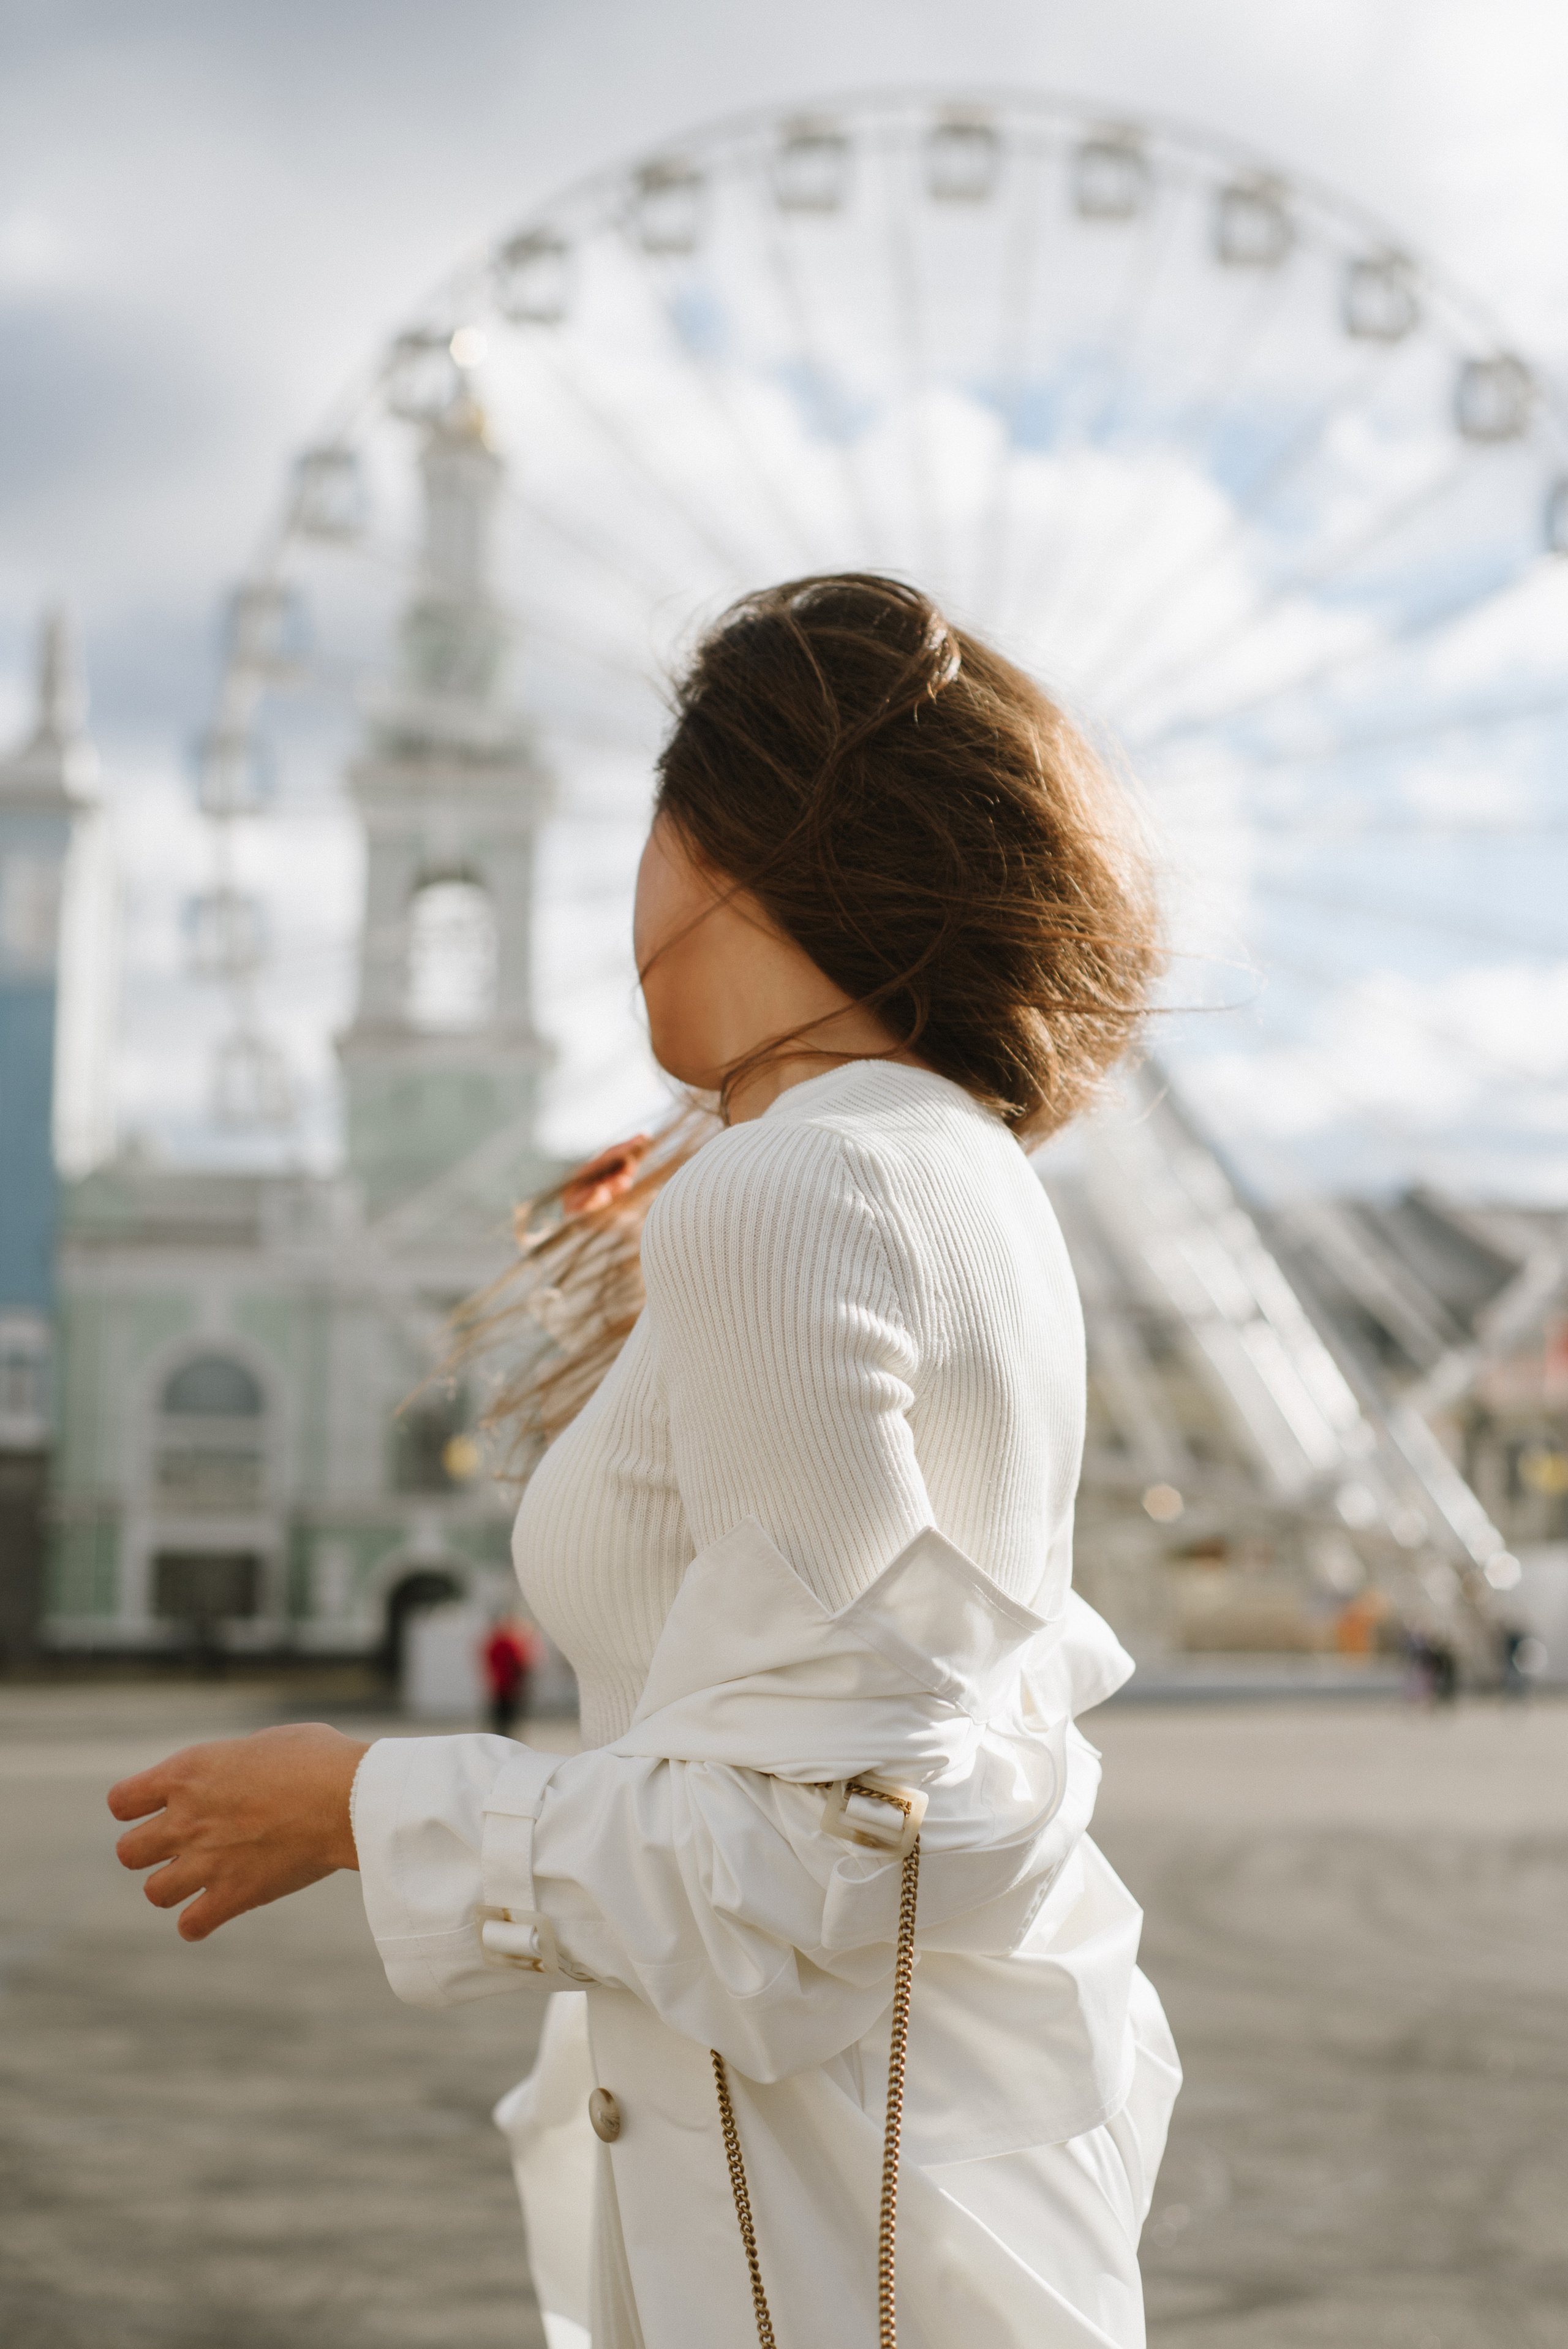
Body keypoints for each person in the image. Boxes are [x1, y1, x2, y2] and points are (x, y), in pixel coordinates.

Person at [108, 575, 1180, 2349]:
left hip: (814, 2218)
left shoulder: (793, 1188)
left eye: (653, 823)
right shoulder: (953, 1164)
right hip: (948, 2177)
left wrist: (359, 1805)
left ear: (745, 845)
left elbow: (824, 1851)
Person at [483, 1614, 537, 1738]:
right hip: (509, 1686)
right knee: (509, 1718)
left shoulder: (496, 1643)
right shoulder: (508, 1644)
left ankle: (499, 1738)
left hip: (500, 1685)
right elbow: (520, 1663)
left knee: (500, 1718)